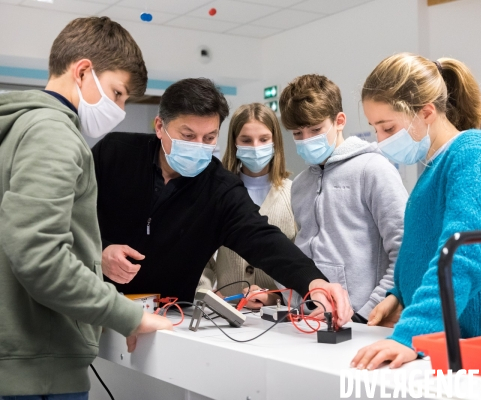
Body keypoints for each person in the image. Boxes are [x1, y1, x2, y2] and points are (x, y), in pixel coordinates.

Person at [0, 17, 171, 400]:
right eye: (117, 93)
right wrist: (128, 315)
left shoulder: (16, 127)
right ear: (82, 71)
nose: (121, 110)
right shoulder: (52, 134)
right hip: (37, 371)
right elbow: (38, 254)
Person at [92, 78, 352, 325]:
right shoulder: (115, 154)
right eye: (188, 135)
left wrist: (313, 282)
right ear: (160, 127)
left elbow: (263, 239)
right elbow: (65, 216)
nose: (199, 146)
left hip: (170, 317)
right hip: (93, 303)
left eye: (209, 138)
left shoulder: (220, 189)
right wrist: (99, 252)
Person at [352, 54, 481, 369]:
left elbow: (460, 257)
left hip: (469, 344)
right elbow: (421, 249)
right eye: (375, 129)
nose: (380, 141)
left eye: (387, 128)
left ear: (426, 112)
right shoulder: (434, 167)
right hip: (438, 338)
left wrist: (412, 334)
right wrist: (397, 294)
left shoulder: (473, 154)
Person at [271, 74, 408, 323]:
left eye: (315, 130)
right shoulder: (300, 184)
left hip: (363, 320)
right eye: (297, 133)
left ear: (339, 121)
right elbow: (304, 253)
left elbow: (404, 251)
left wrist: (367, 313)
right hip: (310, 318)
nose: (306, 140)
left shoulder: (374, 169)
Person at [199, 103, 295, 307]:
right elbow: (200, 255)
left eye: (263, 139)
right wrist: (207, 293)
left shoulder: (294, 194)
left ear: (275, 141)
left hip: (279, 317)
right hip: (225, 313)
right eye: (246, 140)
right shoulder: (218, 193)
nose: (255, 147)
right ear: (234, 143)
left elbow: (301, 259)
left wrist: (277, 296)